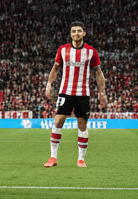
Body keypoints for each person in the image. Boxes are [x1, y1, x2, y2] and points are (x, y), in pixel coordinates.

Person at [44, 21, 107, 168]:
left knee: (82, 124)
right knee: (58, 121)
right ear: (70, 34)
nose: (76, 33)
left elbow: (98, 72)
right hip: (65, 92)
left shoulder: (91, 51)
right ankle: (53, 157)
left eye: (79, 31)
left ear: (84, 33)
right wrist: (49, 84)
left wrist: (102, 92)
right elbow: (55, 68)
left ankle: (81, 159)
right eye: (73, 31)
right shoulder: (63, 50)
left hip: (83, 94)